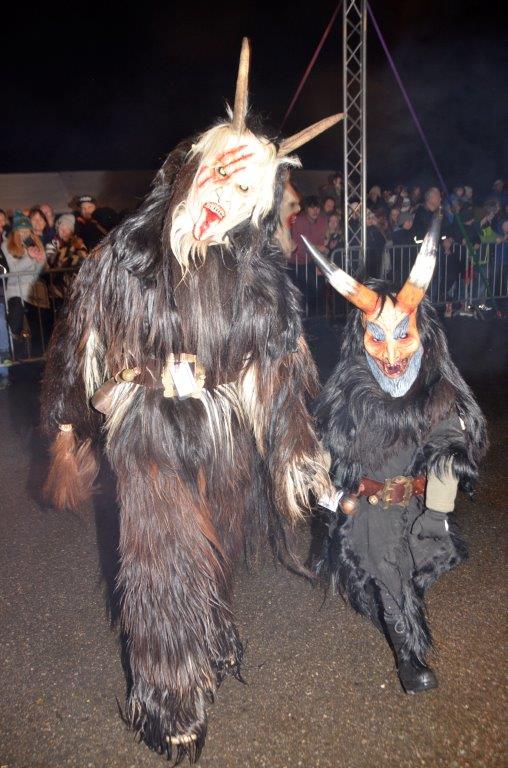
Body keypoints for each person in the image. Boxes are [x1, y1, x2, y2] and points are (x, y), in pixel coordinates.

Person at [41, 38, 338, 763]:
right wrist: (68, 429)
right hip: (148, 432)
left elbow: (277, 364)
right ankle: (169, 697)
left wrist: (297, 445)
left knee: (217, 550)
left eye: (245, 196)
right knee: (163, 565)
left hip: (222, 436)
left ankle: (210, 635)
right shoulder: (124, 260)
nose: (224, 202)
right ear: (192, 168)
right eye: (222, 178)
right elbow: (80, 350)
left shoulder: (255, 278)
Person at [305, 217, 487, 694]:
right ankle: (410, 656)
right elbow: (326, 451)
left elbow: (448, 448)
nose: (390, 354)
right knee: (388, 572)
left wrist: (438, 512)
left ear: (422, 332)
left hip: (420, 506)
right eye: (377, 337)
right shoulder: (351, 392)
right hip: (371, 509)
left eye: (402, 335)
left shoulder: (436, 390)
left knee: (411, 569)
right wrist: (330, 493)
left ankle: (397, 612)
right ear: (360, 336)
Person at [1, 211, 47, 337]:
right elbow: (13, 270)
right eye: (21, 231)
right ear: (15, 232)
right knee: (16, 321)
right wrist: (30, 258)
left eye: (27, 231)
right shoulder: (6, 245)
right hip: (15, 291)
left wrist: (40, 261)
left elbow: (36, 273)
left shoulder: (35, 243)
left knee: (41, 324)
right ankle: (14, 343)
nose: (24, 234)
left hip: (32, 291)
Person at [290, 196, 328, 315]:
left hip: (312, 262)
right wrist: (318, 248)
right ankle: (303, 320)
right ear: (306, 209)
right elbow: (298, 244)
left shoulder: (322, 220)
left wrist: (322, 251)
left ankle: (316, 319)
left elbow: (322, 241)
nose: (315, 210)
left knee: (316, 292)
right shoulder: (299, 221)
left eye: (317, 208)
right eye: (312, 208)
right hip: (296, 262)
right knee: (301, 294)